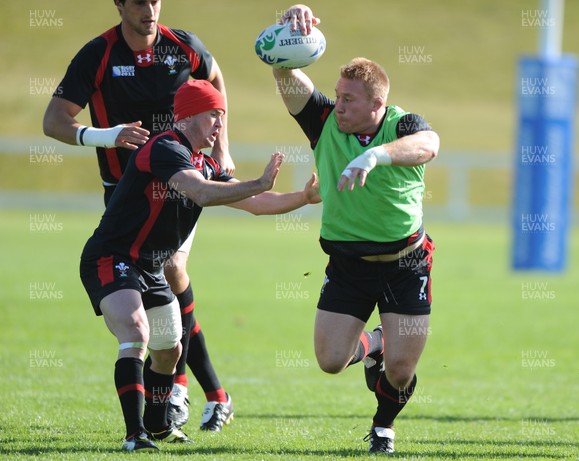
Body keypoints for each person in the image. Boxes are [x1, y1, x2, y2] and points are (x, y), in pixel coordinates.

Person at [79, 79, 320, 452]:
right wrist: (257, 182)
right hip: (113, 257)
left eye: (222, 116)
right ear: (188, 116)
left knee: (169, 351)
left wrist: (304, 197)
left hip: (151, 267)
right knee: (136, 330)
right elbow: (202, 192)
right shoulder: (165, 147)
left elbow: (256, 204)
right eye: (213, 116)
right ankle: (135, 436)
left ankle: (158, 427)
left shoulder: (203, 162)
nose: (220, 125)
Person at [42, 0, 234, 431]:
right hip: (125, 194)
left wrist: (221, 149)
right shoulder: (98, 54)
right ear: (119, 5)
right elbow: (54, 121)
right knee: (151, 297)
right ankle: (210, 395)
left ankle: (185, 390)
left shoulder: (182, 45)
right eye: (138, 2)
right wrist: (107, 135)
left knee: (171, 266)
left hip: (179, 183)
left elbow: (216, 78)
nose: (149, 8)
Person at [269, 5, 440, 454]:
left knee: (401, 372)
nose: (338, 104)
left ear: (377, 105)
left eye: (349, 99)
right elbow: (286, 78)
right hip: (348, 264)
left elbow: (429, 145)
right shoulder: (325, 122)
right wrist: (287, 36)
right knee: (330, 361)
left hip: (406, 264)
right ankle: (377, 341)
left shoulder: (402, 125)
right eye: (337, 95)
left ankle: (383, 426)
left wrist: (375, 156)